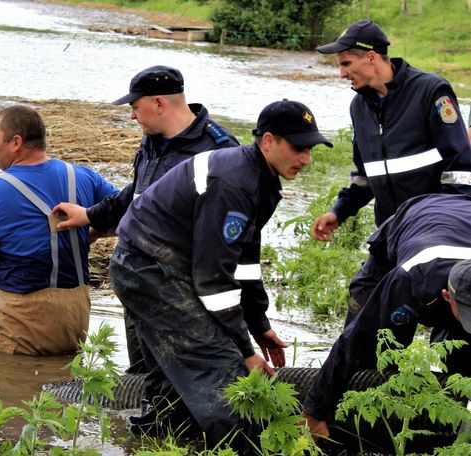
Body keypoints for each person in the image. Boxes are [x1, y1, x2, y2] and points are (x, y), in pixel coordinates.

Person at [110, 99, 332, 446]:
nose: (306, 160)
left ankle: (158, 443)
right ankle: (240, 449)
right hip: (147, 268)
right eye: (299, 148)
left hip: (162, 266)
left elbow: (244, 261)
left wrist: (259, 325)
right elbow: (213, 281)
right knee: (223, 369)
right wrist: (245, 349)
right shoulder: (236, 183)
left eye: (310, 150)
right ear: (269, 141)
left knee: (179, 371)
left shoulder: (264, 181)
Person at [53, 65, 239, 372]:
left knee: (184, 371)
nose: (132, 116)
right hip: (140, 279)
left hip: (184, 287)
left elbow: (233, 228)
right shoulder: (152, 141)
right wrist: (91, 217)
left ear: (160, 104)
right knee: (143, 370)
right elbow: (137, 195)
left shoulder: (220, 151)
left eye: (135, 107)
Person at [0, 105, 118, 356]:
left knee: (9, 388)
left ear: (16, 143)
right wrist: (95, 230)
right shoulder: (83, 176)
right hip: (76, 323)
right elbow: (130, 213)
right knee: (62, 391)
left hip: (22, 328)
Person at [302, 193, 471, 441]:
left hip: (462, 218)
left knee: (460, 355)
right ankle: (355, 431)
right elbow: (354, 341)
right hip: (415, 217)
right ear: (447, 296)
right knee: (377, 350)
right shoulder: (409, 278)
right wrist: (315, 412)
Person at [311, 20, 471, 243]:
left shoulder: (431, 92)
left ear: (371, 57)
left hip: (433, 230)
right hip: (390, 232)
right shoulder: (359, 107)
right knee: (363, 281)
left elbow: (461, 170)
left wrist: (441, 224)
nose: (342, 73)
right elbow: (365, 177)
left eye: (346, 64)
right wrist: (339, 212)